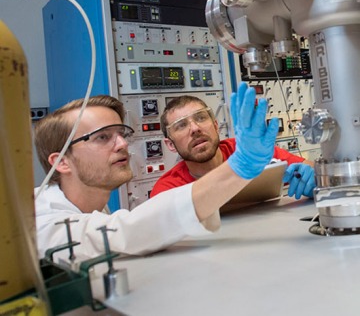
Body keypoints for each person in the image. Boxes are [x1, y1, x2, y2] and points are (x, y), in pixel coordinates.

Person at [34, 82, 279, 261]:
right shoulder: (40, 222)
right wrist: (241, 166)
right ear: (61, 163)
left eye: (121, 134)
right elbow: (126, 232)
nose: (122, 144)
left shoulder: (90, 208)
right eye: (102, 137)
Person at [150, 93, 316, 201]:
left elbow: (312, 170)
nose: (195, 129)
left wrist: (314, 178)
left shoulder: (247, 150)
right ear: (170, 145)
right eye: (181, 126)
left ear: (216, 126)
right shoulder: (167, 190)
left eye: (200, 118)